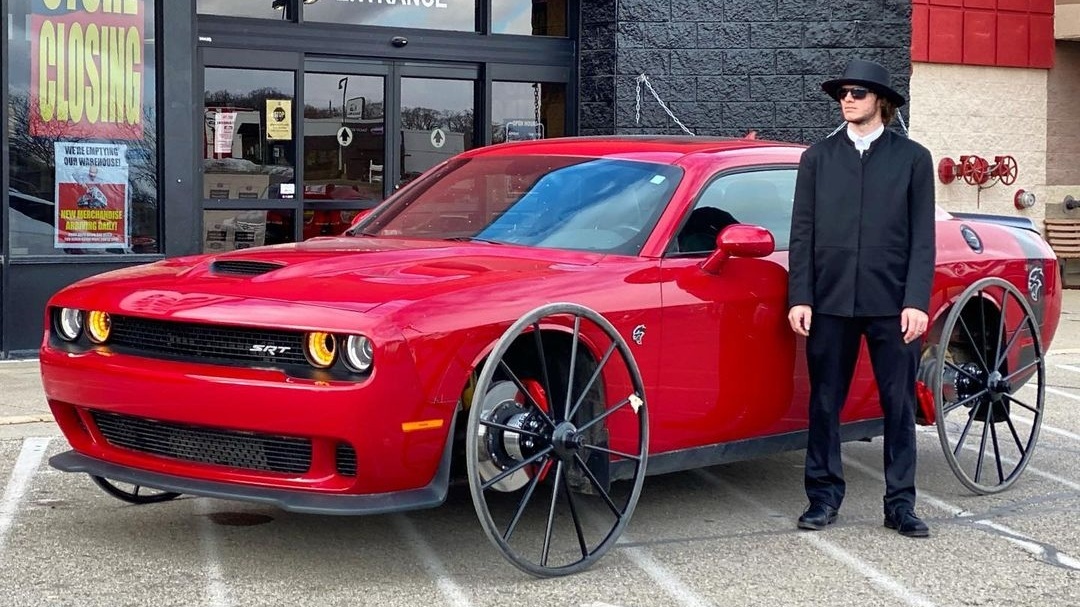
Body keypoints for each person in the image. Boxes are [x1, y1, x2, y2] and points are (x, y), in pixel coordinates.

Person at [787, 59, 936, 538]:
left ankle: (900, 505)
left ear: (881, 101)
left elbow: (923, 240)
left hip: (892, 304)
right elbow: (802, 233)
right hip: (829, 303)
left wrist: (916, 300)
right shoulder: (817, 159)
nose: (846, 99)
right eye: (842, 93)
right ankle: (823, 498)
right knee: (825, 403)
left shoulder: (913, 159)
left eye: (857, 92)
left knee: (898, 404)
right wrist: (800, 296)